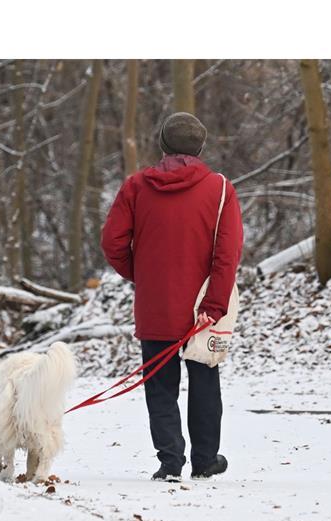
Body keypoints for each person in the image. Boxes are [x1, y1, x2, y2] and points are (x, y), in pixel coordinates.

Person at [101, 112, 243, 482]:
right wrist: (215, 304)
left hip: (156, 304)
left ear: (162, 144)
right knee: (205, 381)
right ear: (200, 147)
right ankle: (205, 459)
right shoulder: (221, 190)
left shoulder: (136, 186)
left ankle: (170, 461)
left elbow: (112, 242)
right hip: (202, 307)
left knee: (160, 386)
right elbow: (227, 255)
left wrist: (142, 276)